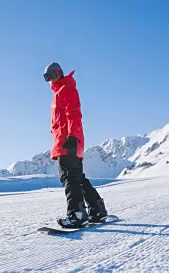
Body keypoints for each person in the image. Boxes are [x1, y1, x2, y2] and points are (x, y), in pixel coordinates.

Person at [43, 62, 108, 228]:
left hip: (68, 141)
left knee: (69, 177)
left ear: (59, 73)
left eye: (51, 75)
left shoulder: (66, 89)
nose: (50, 80)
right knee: (77, 176)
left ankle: (77, 215)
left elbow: (74, 113)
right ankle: (97, 209)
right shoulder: (59, 92)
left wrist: (72, 136)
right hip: (68, 141)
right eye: (46, 77)